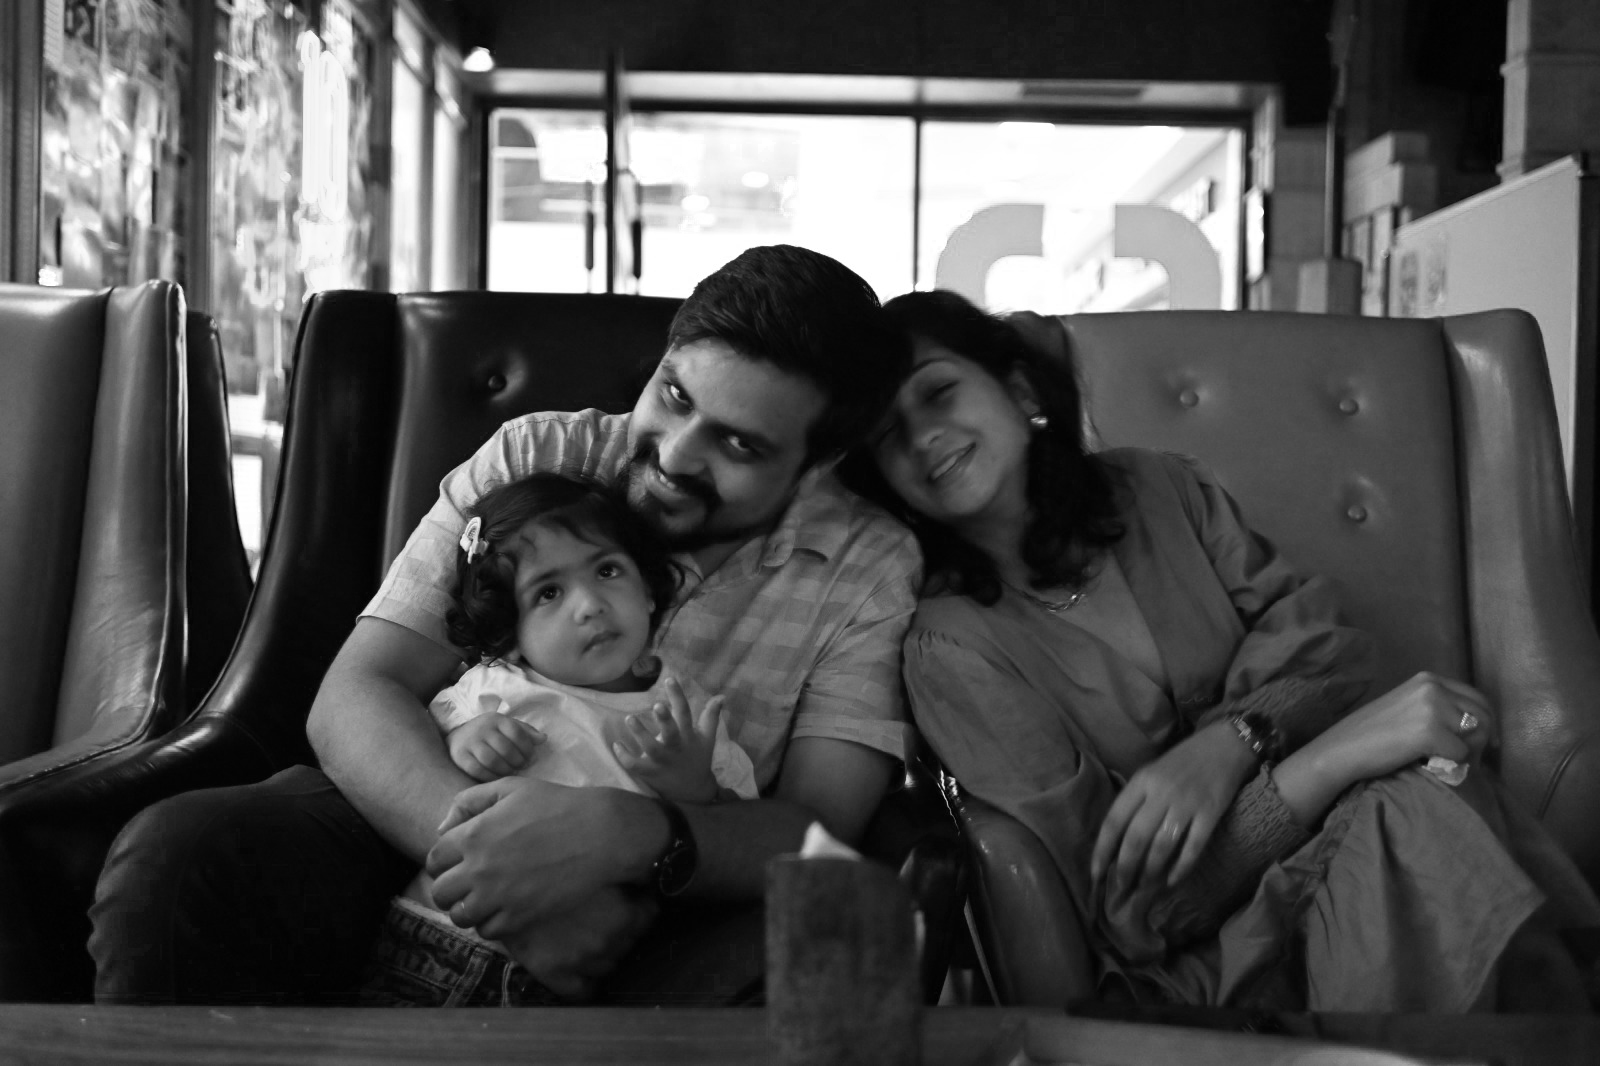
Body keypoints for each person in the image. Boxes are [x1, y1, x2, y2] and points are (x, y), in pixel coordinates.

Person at [90, 244, 920, 1005]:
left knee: (822, 952)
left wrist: (631, 836)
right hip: (427, 820)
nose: (673, 455)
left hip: (672, 887)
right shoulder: (537, 456)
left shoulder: (866, 563)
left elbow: (817, 826)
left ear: (817, 465)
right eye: (674, 397)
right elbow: (357, 694)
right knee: (182, 856)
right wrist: (506, 885)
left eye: (738, 446)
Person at [841, 288, 1600, 1012]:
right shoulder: (949, 649)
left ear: (1019, 390)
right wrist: (1335, 756)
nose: (921, 437)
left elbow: (1326, 654)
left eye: (938, 393)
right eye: (887, 435)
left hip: (1349, 850)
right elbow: (1135, 907)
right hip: (1199, 960)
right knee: (1407, 813)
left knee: (1420, 804)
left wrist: (1228, 748)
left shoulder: (1158, 490)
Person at [361, 473, 760, 1006]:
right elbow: (408, 752)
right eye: (548, 592)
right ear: (511, 635)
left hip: (586, 978)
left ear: (647, 590)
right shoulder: (494, 689)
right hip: (443, 946)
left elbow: (736, 839)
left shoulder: (687, 712)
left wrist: (697, 789)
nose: (590, 604)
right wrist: (463, 738)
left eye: (607, 570)